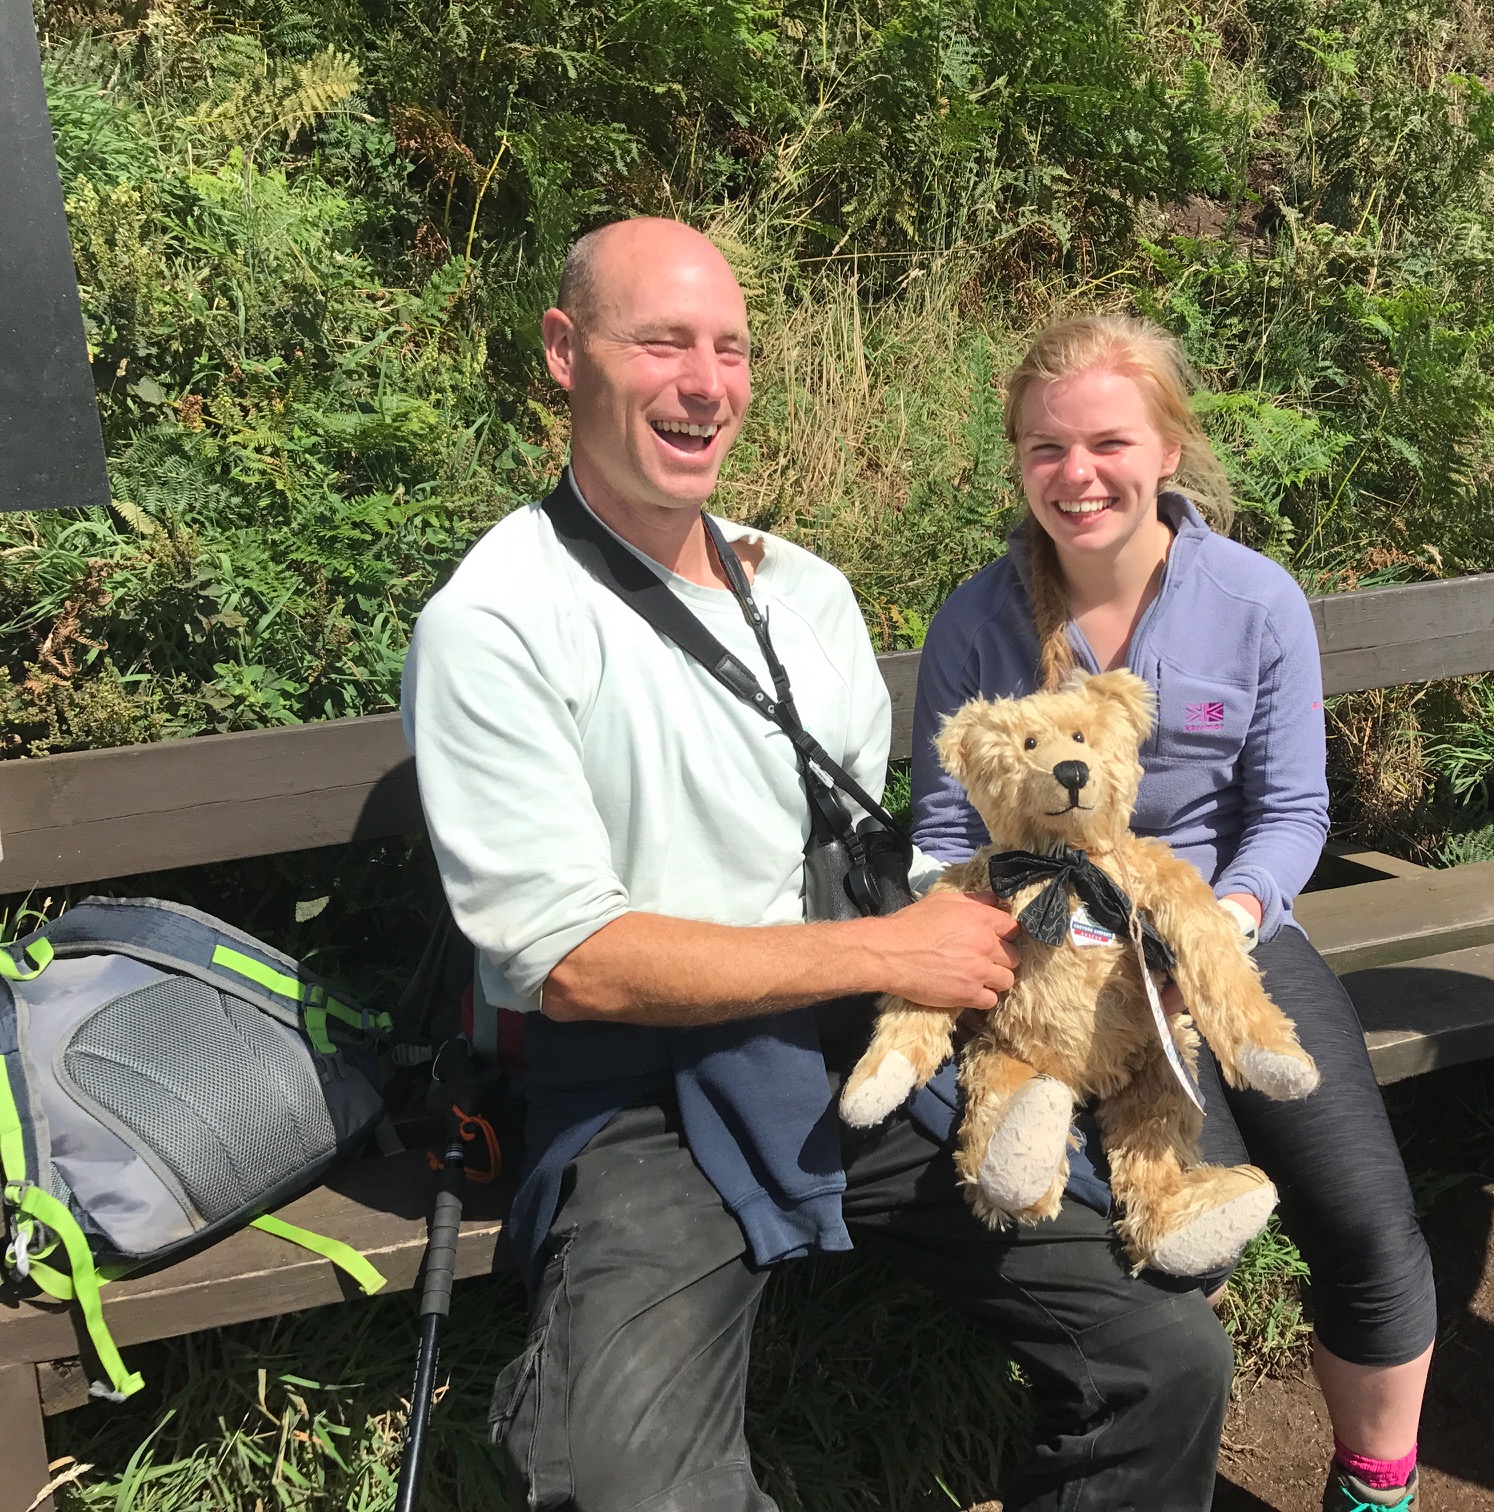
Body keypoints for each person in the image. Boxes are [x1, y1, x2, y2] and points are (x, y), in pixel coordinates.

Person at [401, 223, 1234, 1512]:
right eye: (662, 340)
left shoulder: (805, 592)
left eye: (728, 348)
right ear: (566, 355)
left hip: (855, 1049)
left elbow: (882, 858)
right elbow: (565, 964)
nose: (704, 380)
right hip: (639, 1099)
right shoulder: (495, 622)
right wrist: (883, 955)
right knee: (631, 1485)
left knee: (1166, 1351)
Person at [908, 315, 1439, 1512]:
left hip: (1227, 938)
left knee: (1364, 1219)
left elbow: (1294, 810)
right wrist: (1005, 942)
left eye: (1107, 441)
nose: (1077, 475)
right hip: (1057, 968)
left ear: (1168, 451)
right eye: (1046, 448)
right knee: (1174, 1247)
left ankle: (1375, 1488)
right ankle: (1171, 1468)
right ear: (1017, 462)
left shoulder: (1253, 601)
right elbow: (942, 836)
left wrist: (1226, 922)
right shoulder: (974, 623)